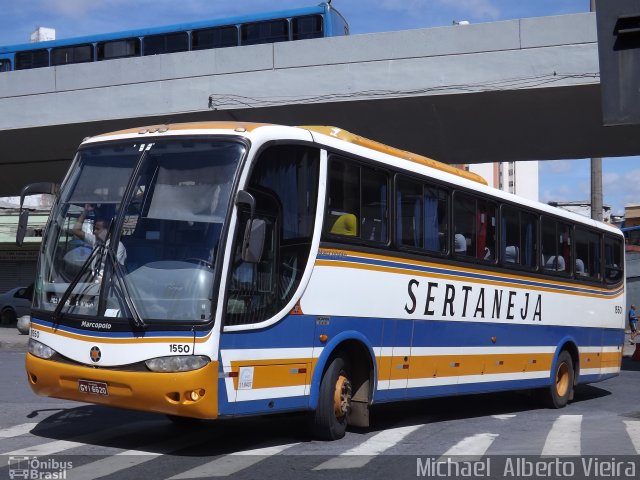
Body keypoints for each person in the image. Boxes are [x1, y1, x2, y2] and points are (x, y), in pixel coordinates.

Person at [73, 204, 127, 275]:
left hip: (108, 282)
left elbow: (112, 269)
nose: (94, 231)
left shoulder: (118, 246)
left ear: (108, 231)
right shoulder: (95, 240)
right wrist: (85, 211)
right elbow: (76, 230)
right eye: (95, 228)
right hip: (93, 278)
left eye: (98, 229)